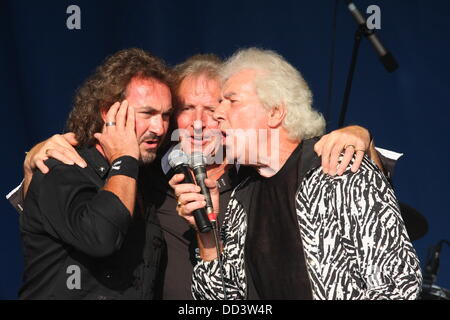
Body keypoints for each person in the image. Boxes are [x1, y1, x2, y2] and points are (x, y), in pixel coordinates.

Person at [12, 54, 385, 299]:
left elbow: (340, 172)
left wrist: (359, 135)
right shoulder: (148, 181)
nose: (201, 120)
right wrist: (34, 158)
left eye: (214, 107)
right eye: (186, 108)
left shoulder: (258, 176)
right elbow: (61, 213)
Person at [170, 48, 422, 300]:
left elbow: (399, 286)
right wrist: (207, 233)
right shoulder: (242, 197)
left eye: (232, 101)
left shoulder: (340, 171)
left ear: (275, 112)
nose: (218, 113)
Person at [18, 48, 173, 299]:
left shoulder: (147, 177)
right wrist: (123, 160)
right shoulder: (62, 168)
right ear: (106, 111)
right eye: (147, 113)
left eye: (166, 115)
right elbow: (100, 238)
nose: (159, 127)